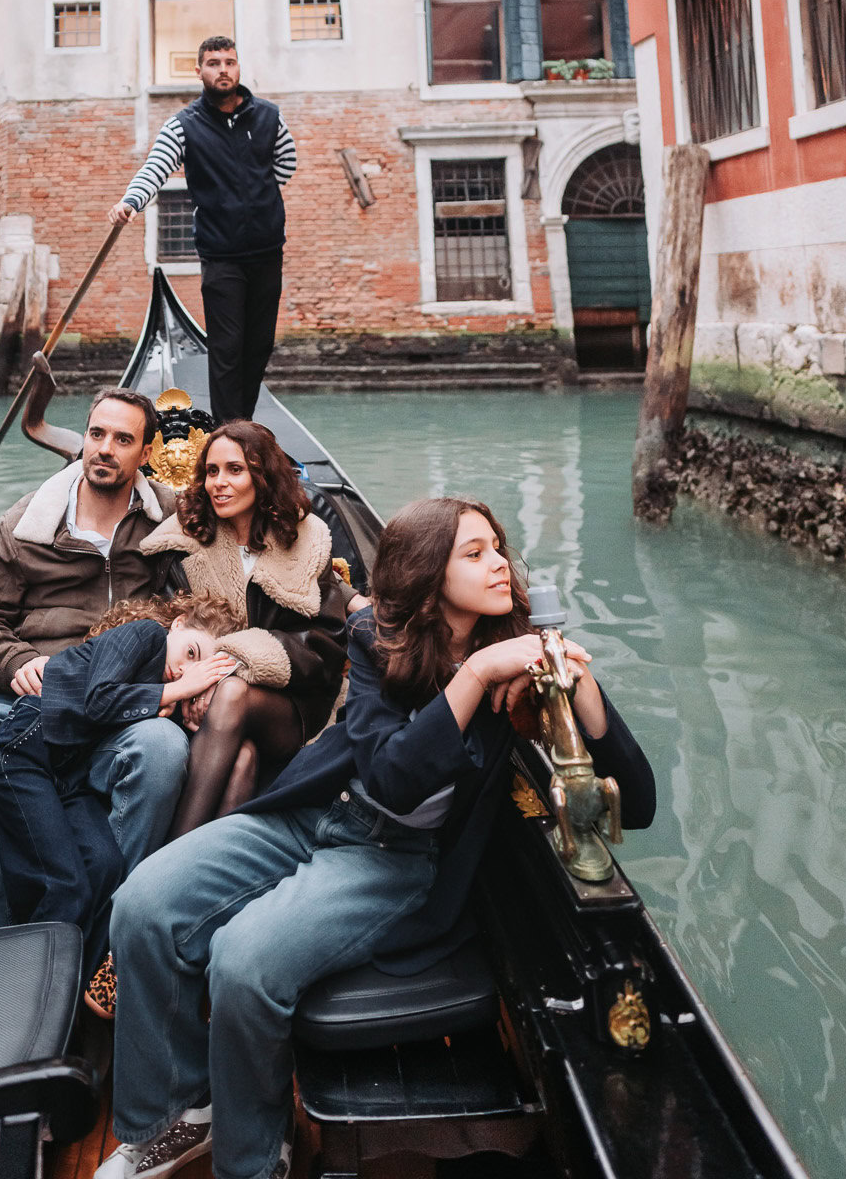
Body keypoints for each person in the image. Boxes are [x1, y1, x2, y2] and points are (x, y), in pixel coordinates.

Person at [98, 496, 656, 1179]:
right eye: (474, 553)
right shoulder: (375, 639)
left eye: (498, 549)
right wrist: (476, 678)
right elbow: (388, 772)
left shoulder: (519, 655)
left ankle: (251, 1159)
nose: (500, 565)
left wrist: (582, 687)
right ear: (426, 574)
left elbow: (643, 801)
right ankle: (175, 1119)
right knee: (143, 904)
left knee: (243, 962)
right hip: (316, 813)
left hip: (395, 857)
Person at [0, 388, 190, 931]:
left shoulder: (170, 520)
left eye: (123, 439)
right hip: (33, 695)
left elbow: (240, 552)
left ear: (147, 453)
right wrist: (16, 662)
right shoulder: (26, 524)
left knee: (163, 751)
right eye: (96, 434)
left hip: (120, 700)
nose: (105, 449)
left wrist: (347, 598)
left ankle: (105, 939)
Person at [0, 597, 236, 987]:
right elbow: (99, 700)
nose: (184, 670)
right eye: (190, 651)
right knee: (64, 886)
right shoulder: (146, 635)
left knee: (105, 865)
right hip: (26, 747)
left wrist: (188, 703)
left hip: (66, 772)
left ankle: (74, 995)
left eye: (197, 670)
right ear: (177, 625)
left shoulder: (161, 689)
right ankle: (19, 997)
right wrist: (179, 690)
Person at [137, 421, 349, 836]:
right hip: (194, 698)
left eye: (234, 470)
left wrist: (230, 662)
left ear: (262, 475)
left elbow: (324, 646)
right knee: (243, 759)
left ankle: (163, 860)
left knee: (232, 692)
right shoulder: (182, 543)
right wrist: (199, 684)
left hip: (291, 705)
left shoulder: (307, 541)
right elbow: (165, 631)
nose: (219, 482)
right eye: (212, 471)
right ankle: (190, 872)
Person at [109, 37, 295, 423]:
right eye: (214, 63)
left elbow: (286, 165)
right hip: (221, 255)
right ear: (199, 72)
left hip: (266, 251)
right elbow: (155, 169)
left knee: (258, 346)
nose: (223, 69)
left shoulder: (269, 117)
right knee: (227, 349)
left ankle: (242, 423)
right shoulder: (183, 126)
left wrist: (257, 200)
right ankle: (229, 433)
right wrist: (131, 201)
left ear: (239, 68)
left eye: (229, 62)